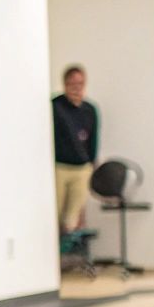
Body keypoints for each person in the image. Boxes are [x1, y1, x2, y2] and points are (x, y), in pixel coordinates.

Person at [52, 66, 100, 236]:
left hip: (81, 168)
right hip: (60, 166)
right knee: (54, 210)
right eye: (72, 83)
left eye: (80, 84)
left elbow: (93, 139)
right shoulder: (55, 107)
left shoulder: (90, 110)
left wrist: (92, 163)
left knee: (72, 215)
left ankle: (68, 244)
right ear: (65, 84)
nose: (76, 88)